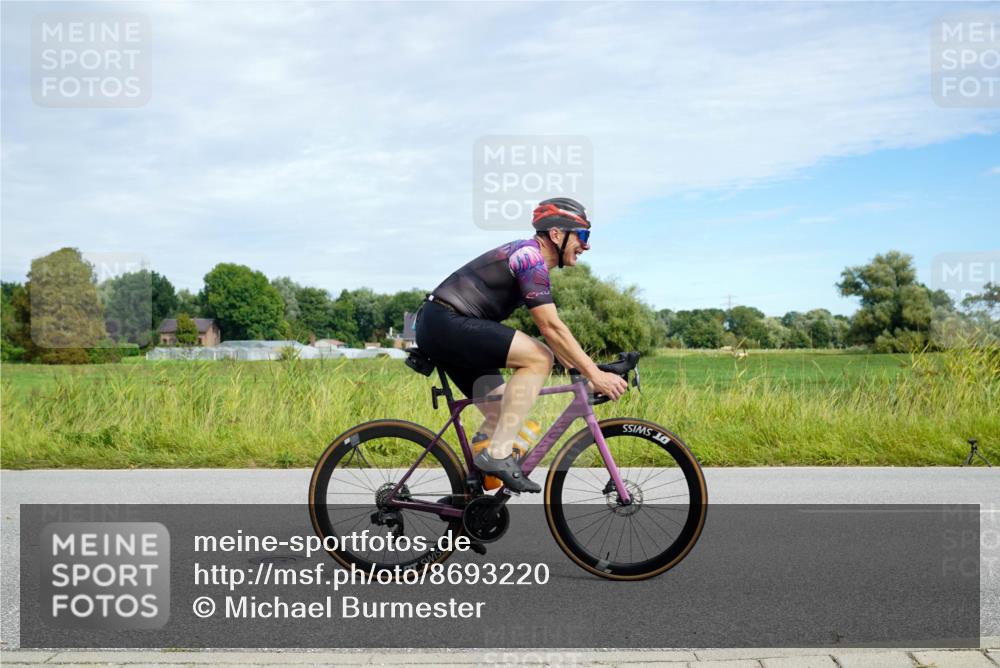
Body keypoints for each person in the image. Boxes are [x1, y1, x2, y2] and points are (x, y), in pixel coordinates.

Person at [415, 197, 628, 493]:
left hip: (444, 327)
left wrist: (587, 372)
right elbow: (550, 327)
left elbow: (554, 334)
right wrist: (595, 374)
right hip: (446, 322)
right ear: (556, 234)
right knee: (539, 357)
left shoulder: (531, 260)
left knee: (506, 413)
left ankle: (469, 498)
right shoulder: (529, 258)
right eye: (582, 235)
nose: (586, 245)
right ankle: (497, 455)